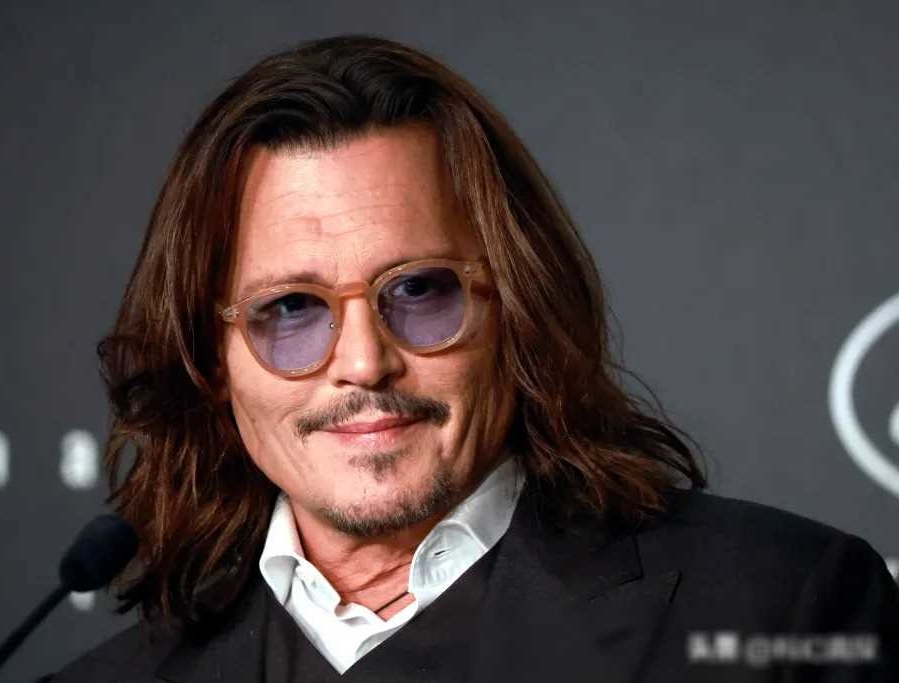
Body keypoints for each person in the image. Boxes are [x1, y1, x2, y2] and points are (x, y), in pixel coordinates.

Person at [47, 34, 898, 682]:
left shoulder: (786, 607)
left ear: (518, 308)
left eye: (420, 290)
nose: (364, 363)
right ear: (210, 356)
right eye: (292, 310)